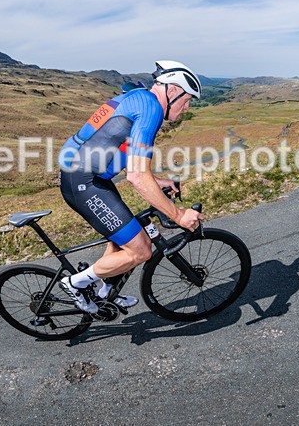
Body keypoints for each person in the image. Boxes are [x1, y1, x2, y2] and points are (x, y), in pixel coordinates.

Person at [56, 60, 204, 313]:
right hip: (84, 182)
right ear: (171, 91)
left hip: (87, 177)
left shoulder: (139, 97)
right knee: (141, 250)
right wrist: (178, 215)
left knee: (123, 239)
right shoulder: (151, 110)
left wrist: (158, 182)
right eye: (187, 99)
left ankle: (105, 294)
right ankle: (74, 284)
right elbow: (136, 176)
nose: (187, 107)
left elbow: (116, 148)